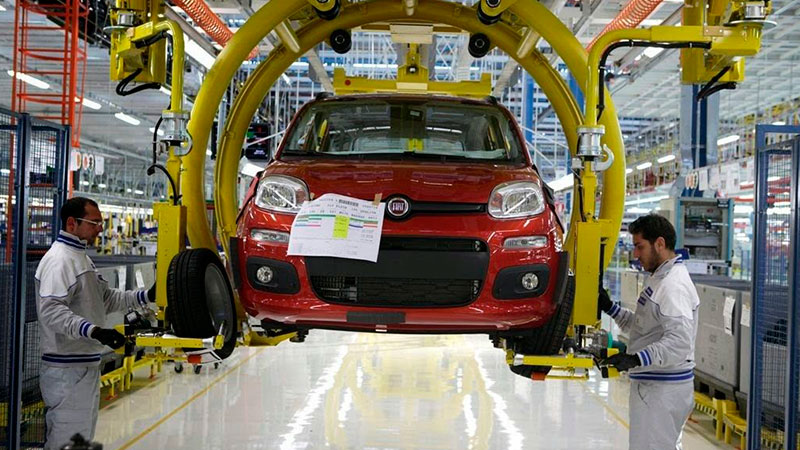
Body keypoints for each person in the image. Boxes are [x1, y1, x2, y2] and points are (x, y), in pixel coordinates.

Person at [35, 197, 155, 450]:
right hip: (67, 369)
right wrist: (95, 331)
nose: (101, 228)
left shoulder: (80, 257)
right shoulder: (60, 260)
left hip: (83, 364)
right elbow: (52, 310)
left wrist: (145, 296)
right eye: (94, 223)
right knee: (66, 440)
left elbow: (105, 299)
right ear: (71, 223)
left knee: (81, 438)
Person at [598, 214, 700, 450]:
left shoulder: (673, 285)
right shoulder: (659, 278)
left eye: (639, 246)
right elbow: (646, 328)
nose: (635, 254)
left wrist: (636, 358)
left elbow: (679, 341)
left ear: (660, 244)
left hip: (663, 391)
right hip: (655, 386)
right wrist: (610, 308)